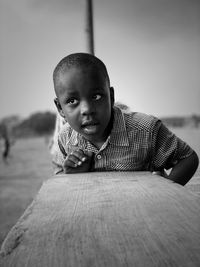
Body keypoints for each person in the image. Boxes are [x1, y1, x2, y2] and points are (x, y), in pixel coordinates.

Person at [51, 52, 199, 185]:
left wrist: (167, 190)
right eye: (72, 101)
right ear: (60, 108)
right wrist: (74, 175)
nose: (87, 110)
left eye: (96, 96)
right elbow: (59, 181)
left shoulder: (146, 130)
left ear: (111, 97)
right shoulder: (65, 139)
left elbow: (188, 158)